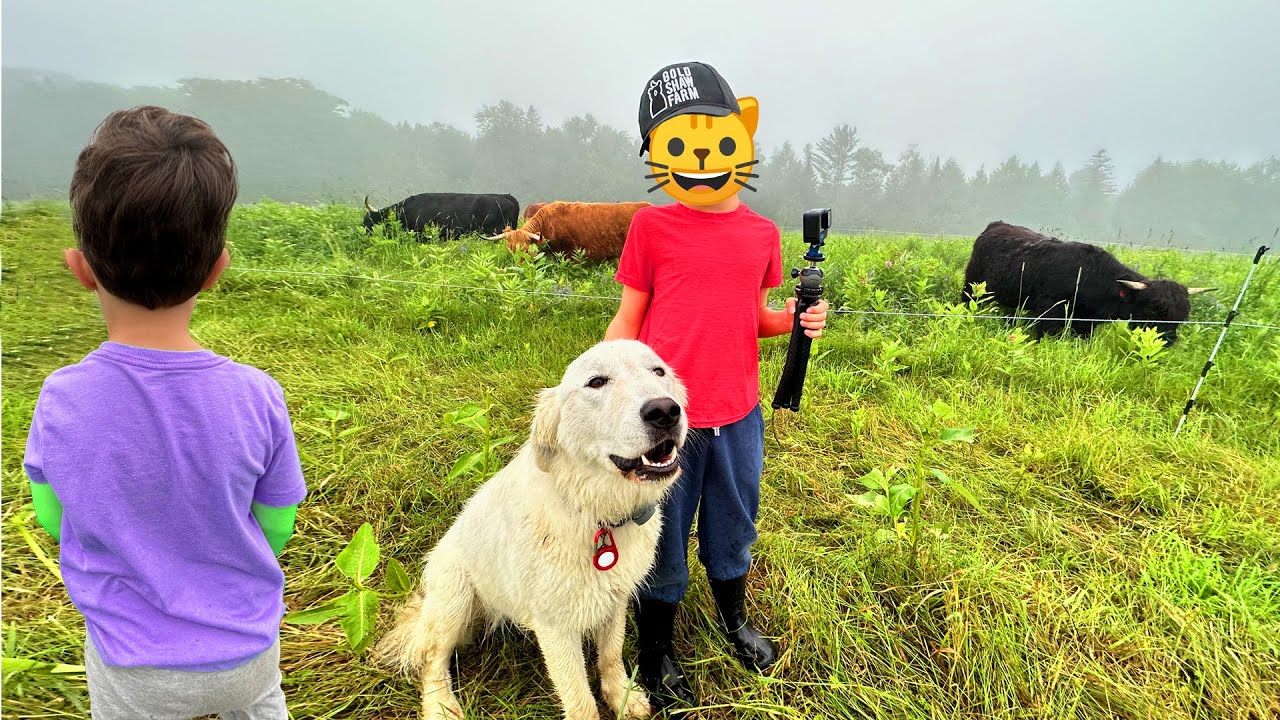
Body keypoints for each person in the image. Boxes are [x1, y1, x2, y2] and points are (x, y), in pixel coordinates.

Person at [22, 105, 306, 720]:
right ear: (216, 271)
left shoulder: (60, 397)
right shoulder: (259, 395)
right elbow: (277, 527)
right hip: (247, 654)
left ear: (80, 270)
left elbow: (53, 516)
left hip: (132, 665)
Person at [605, 61, 829, 710]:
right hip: (662, 420)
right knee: (660, 531)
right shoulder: (651, 227)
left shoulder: (762, 235)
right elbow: (630, 315)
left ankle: (733, 619)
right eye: (676, 145)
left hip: (738, 416)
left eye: (717, 141)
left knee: (734, 522)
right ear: (657, 153)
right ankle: (658, 650)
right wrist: (596, 384)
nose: (700, 160)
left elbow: (754, 316)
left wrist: (796, 319)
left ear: (744, 134)